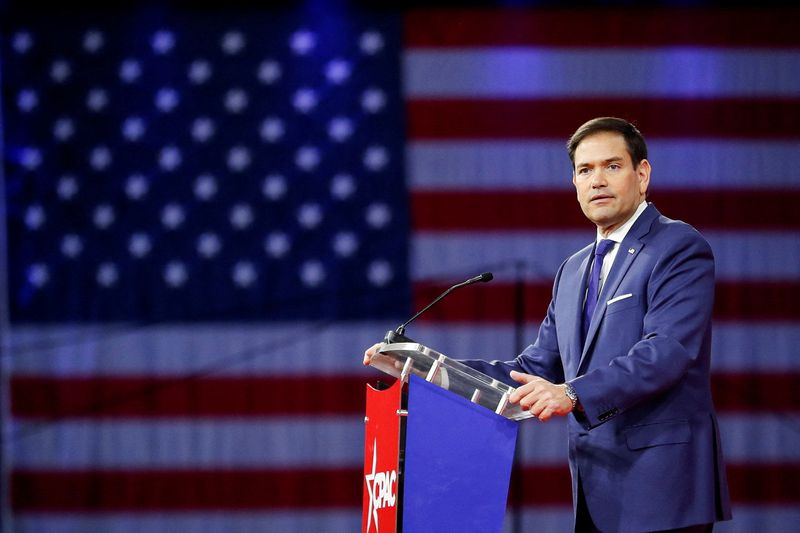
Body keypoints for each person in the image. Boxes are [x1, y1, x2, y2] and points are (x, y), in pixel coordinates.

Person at [364, 117, 731, 532]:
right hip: (596, 491)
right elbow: (537, 368)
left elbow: (667, 352)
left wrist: (572, 393)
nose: (597, 181)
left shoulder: (678, 247)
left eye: (612, 166)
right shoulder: (573, 271)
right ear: (574, 183)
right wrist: (430, 370)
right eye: (585, 170)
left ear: (641, 175)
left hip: (662, 490)